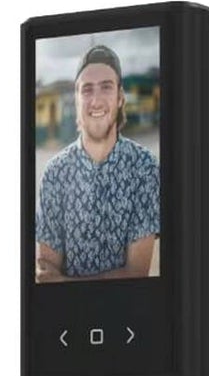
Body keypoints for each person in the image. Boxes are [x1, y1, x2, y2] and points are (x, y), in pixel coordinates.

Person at [35, 44, 159, 281]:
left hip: (129, 307)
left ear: (120, 97)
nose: (96, 100)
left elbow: (136, 274)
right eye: (87, 89)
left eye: (106, 87)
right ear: (76, 98)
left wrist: (66, 283)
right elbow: (47, 273)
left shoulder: (144, 168)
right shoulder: (54, 174)